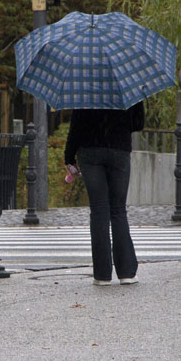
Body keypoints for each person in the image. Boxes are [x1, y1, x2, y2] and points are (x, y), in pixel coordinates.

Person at [63, 102, 144, 285]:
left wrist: (69, 157)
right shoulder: (126, 83)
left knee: (99, 211)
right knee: (118, 210)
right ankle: (127, 273)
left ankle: (102, 275)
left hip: (89, 151)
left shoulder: (86, 85)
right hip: (119, 149)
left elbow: (76, 125)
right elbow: (138, 124)